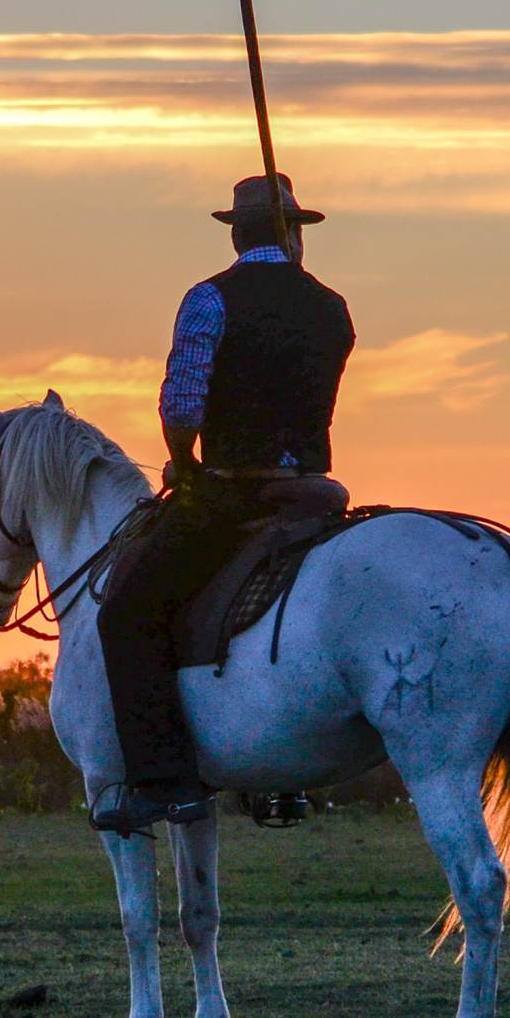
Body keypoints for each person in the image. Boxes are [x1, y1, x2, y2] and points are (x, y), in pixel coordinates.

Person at [90, 173, 355, 835]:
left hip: (238, 491)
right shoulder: (331, 307)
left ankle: (164, 784)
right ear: (295, 233)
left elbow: (182, 402)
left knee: (128, 613)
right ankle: (281, 775)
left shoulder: (210, 299)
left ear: (237, 233)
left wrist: (184, 464)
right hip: (314, 493)